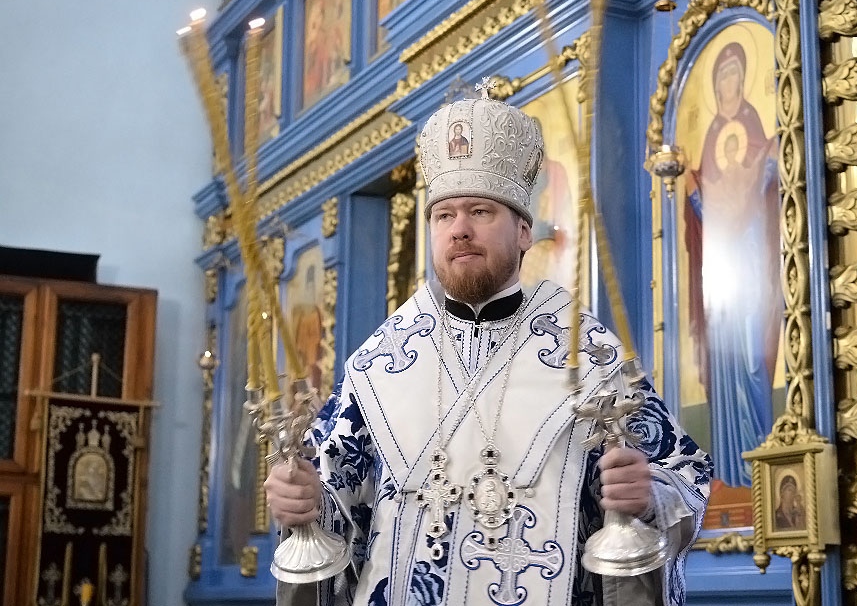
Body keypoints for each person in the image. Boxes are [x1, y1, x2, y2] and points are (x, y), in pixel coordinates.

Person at [265, 93, 713, 606]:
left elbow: (682, 477)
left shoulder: (590, 357)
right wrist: (303, 502)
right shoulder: (377, 364)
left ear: (524, 232)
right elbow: (336, 504)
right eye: (444, 215)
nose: (460, 229)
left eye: (480, 211)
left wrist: (649, 497)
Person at [684, 40, 781, 489]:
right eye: (723, 74)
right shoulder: (711, 137)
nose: (731, 81)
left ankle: (759, 457)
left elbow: (760, 187)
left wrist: (767, 166)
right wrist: (693, 192)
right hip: (720, 277)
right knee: (723, 363)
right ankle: (727, 469)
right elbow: (707, 212)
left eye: (736, 73)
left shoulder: (753, 126)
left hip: (750, 261)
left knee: (752, 356)